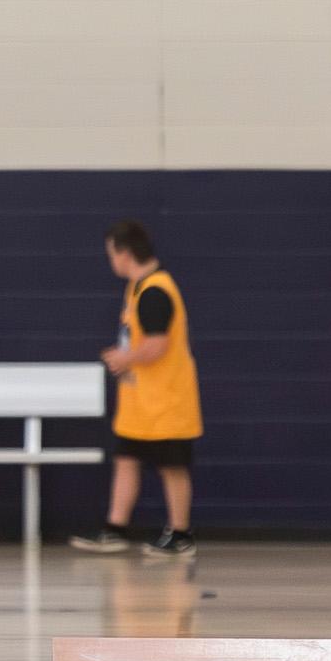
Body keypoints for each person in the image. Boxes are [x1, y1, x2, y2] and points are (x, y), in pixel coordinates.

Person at [72, 219, 201, 559]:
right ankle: (115, 528)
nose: (110, 260)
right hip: (141, 402)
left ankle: (181, 533)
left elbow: (157, 345)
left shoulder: (156, 291)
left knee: (172, 468)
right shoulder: (137, 287)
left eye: (111, 254)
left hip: (167, 400)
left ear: (125, 253)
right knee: (126, 460)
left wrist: (124, 357)